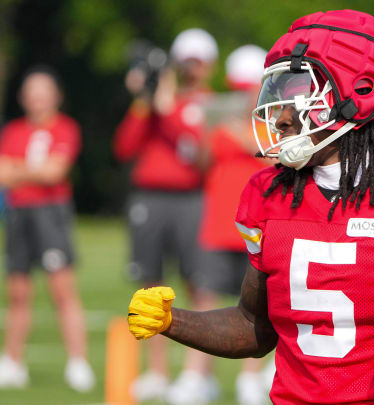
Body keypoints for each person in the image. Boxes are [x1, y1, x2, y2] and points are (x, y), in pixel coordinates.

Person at [125, 10, 374, 405]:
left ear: (361, 97)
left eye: (297, 93)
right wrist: (173, 321)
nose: (280, 114)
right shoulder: (270, 194)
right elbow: (253, 324)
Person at [113, 28, 219, 404]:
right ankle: (157, 371)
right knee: (150, 287)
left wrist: (165, 105)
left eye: (197, 61)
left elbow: (194, 147)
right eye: (185, 61)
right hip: (150, 199)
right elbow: (124, 146)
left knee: (198, 284)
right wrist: (144, 100)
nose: (191, 69)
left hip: (192, 199)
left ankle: (198, 374)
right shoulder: (156, 104)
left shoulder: (207, 103)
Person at [0, 66, 94, 392]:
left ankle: (78, 362)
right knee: (17, 291)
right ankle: (12, 361)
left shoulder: (65, 128)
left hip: (51, 214)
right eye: (31, 91)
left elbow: (55, 172)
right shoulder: (12, 131)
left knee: (62, 289)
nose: (36, 98)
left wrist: (19, 169)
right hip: (18, 213)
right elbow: (3, 174)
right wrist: (33, 170)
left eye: (42, 91)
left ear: (56, 95)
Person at [197, 45, 275, 405]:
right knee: (206, 299)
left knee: (259, 305)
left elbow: (268, 153)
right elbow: (201, 159)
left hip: (257, 226)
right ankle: (198, 376)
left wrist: (238, 132)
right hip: (218, 223)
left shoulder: (274, 127)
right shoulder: (220, 125)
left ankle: (250, 378)